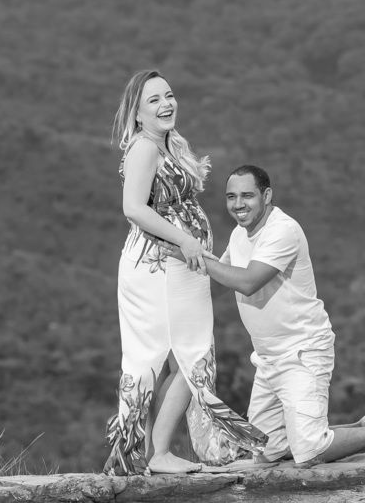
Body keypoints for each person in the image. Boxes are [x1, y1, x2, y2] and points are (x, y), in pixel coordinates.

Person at [104, 69, 260, 476]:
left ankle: (155, 452)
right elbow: (134, 208)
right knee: (183, 357)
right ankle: (155, 454)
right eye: (153, 100)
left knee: (187, 358)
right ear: (137, 114)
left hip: (181, 264)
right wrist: (187, 241)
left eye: (169, 95)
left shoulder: (170, 144)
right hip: (160, 265)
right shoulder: (143, 148)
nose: (166, 104)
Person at [202, 164, 365, 466]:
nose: (238, 204)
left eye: (247, 196)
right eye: (231, 196)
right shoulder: (238, 234)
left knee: (309, 451)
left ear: (267, 195)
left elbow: (247, 282)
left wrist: (196, 253)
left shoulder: (282, 230)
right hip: (268, 359)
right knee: (266, 451)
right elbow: (222, 281)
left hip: (303, 350)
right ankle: (361, 429)